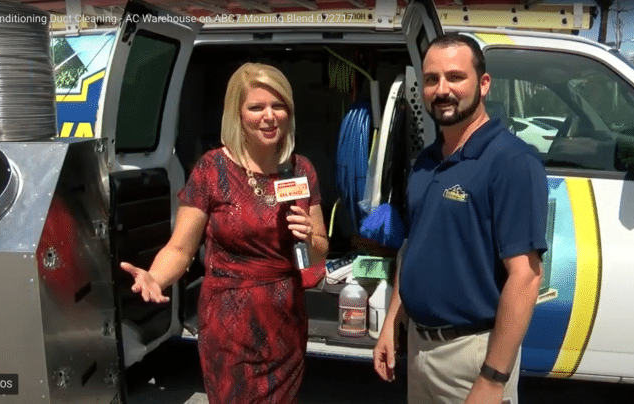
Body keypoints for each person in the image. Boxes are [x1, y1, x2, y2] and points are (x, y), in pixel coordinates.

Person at [120, 62, 328, 404]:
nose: (269, 116)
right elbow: (180, 248)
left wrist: (309, 239)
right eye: (256, 107)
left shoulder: (300, 169)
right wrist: (156, 277)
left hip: (285, 322)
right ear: (237, 114)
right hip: (230, 325)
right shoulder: (212, 170)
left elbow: (319, 251)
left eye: (278, 106)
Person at [373, 33, 548, 404]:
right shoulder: (425, 162)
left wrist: (493, 379)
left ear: (483, 84)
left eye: (455, 77)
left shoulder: (512, 162)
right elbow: (413, 247)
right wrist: (393, 320)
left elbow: (526, 277)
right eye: (432, 79)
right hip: (420, 350)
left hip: (472, 357)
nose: (442, 90)